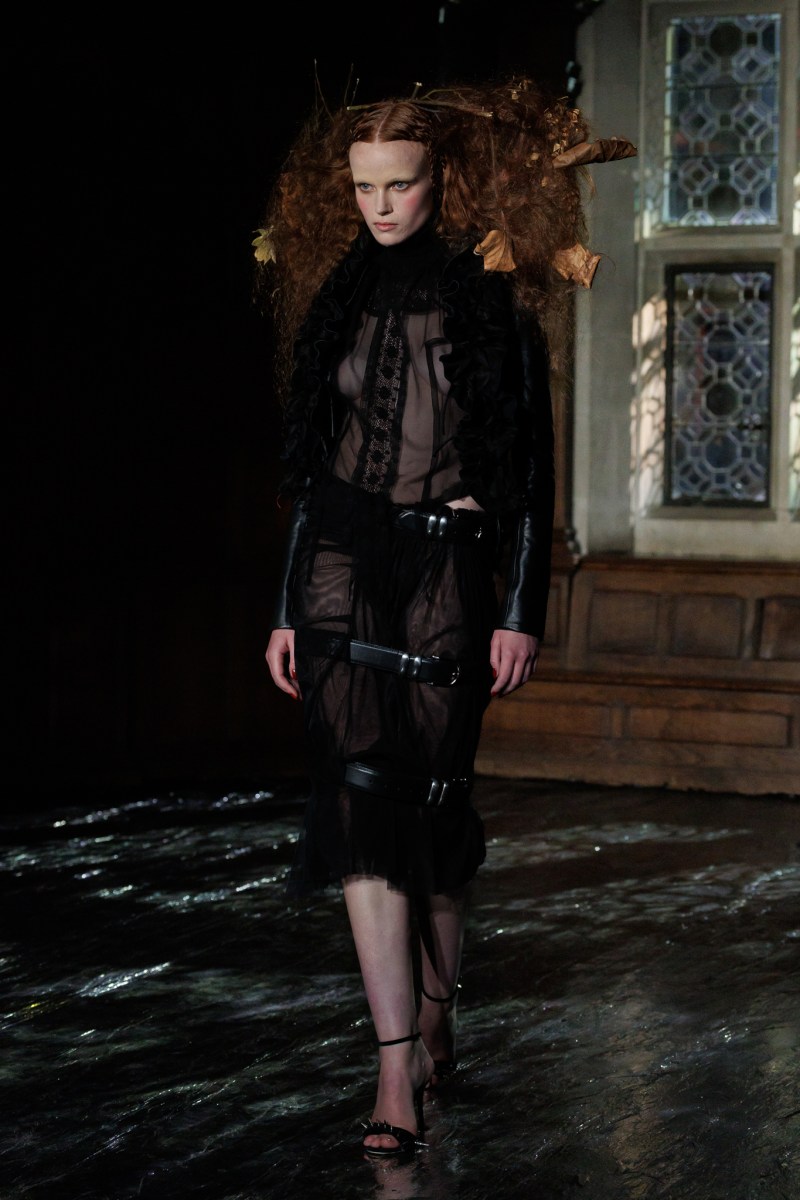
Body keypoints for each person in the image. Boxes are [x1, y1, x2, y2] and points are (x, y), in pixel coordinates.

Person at [257, 75, 635, 1158]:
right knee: (355, 806)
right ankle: (392, 1067)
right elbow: (314, 466)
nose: (381, 206)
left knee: (428, 804)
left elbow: (531, 465)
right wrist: (287, 605)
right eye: (364, 187)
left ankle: (435, 1013)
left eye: (401, 184)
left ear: (439, 180)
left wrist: (520, 609)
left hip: (448, 571)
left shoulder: (489, 289)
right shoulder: (339, 293)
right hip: (339, 566)